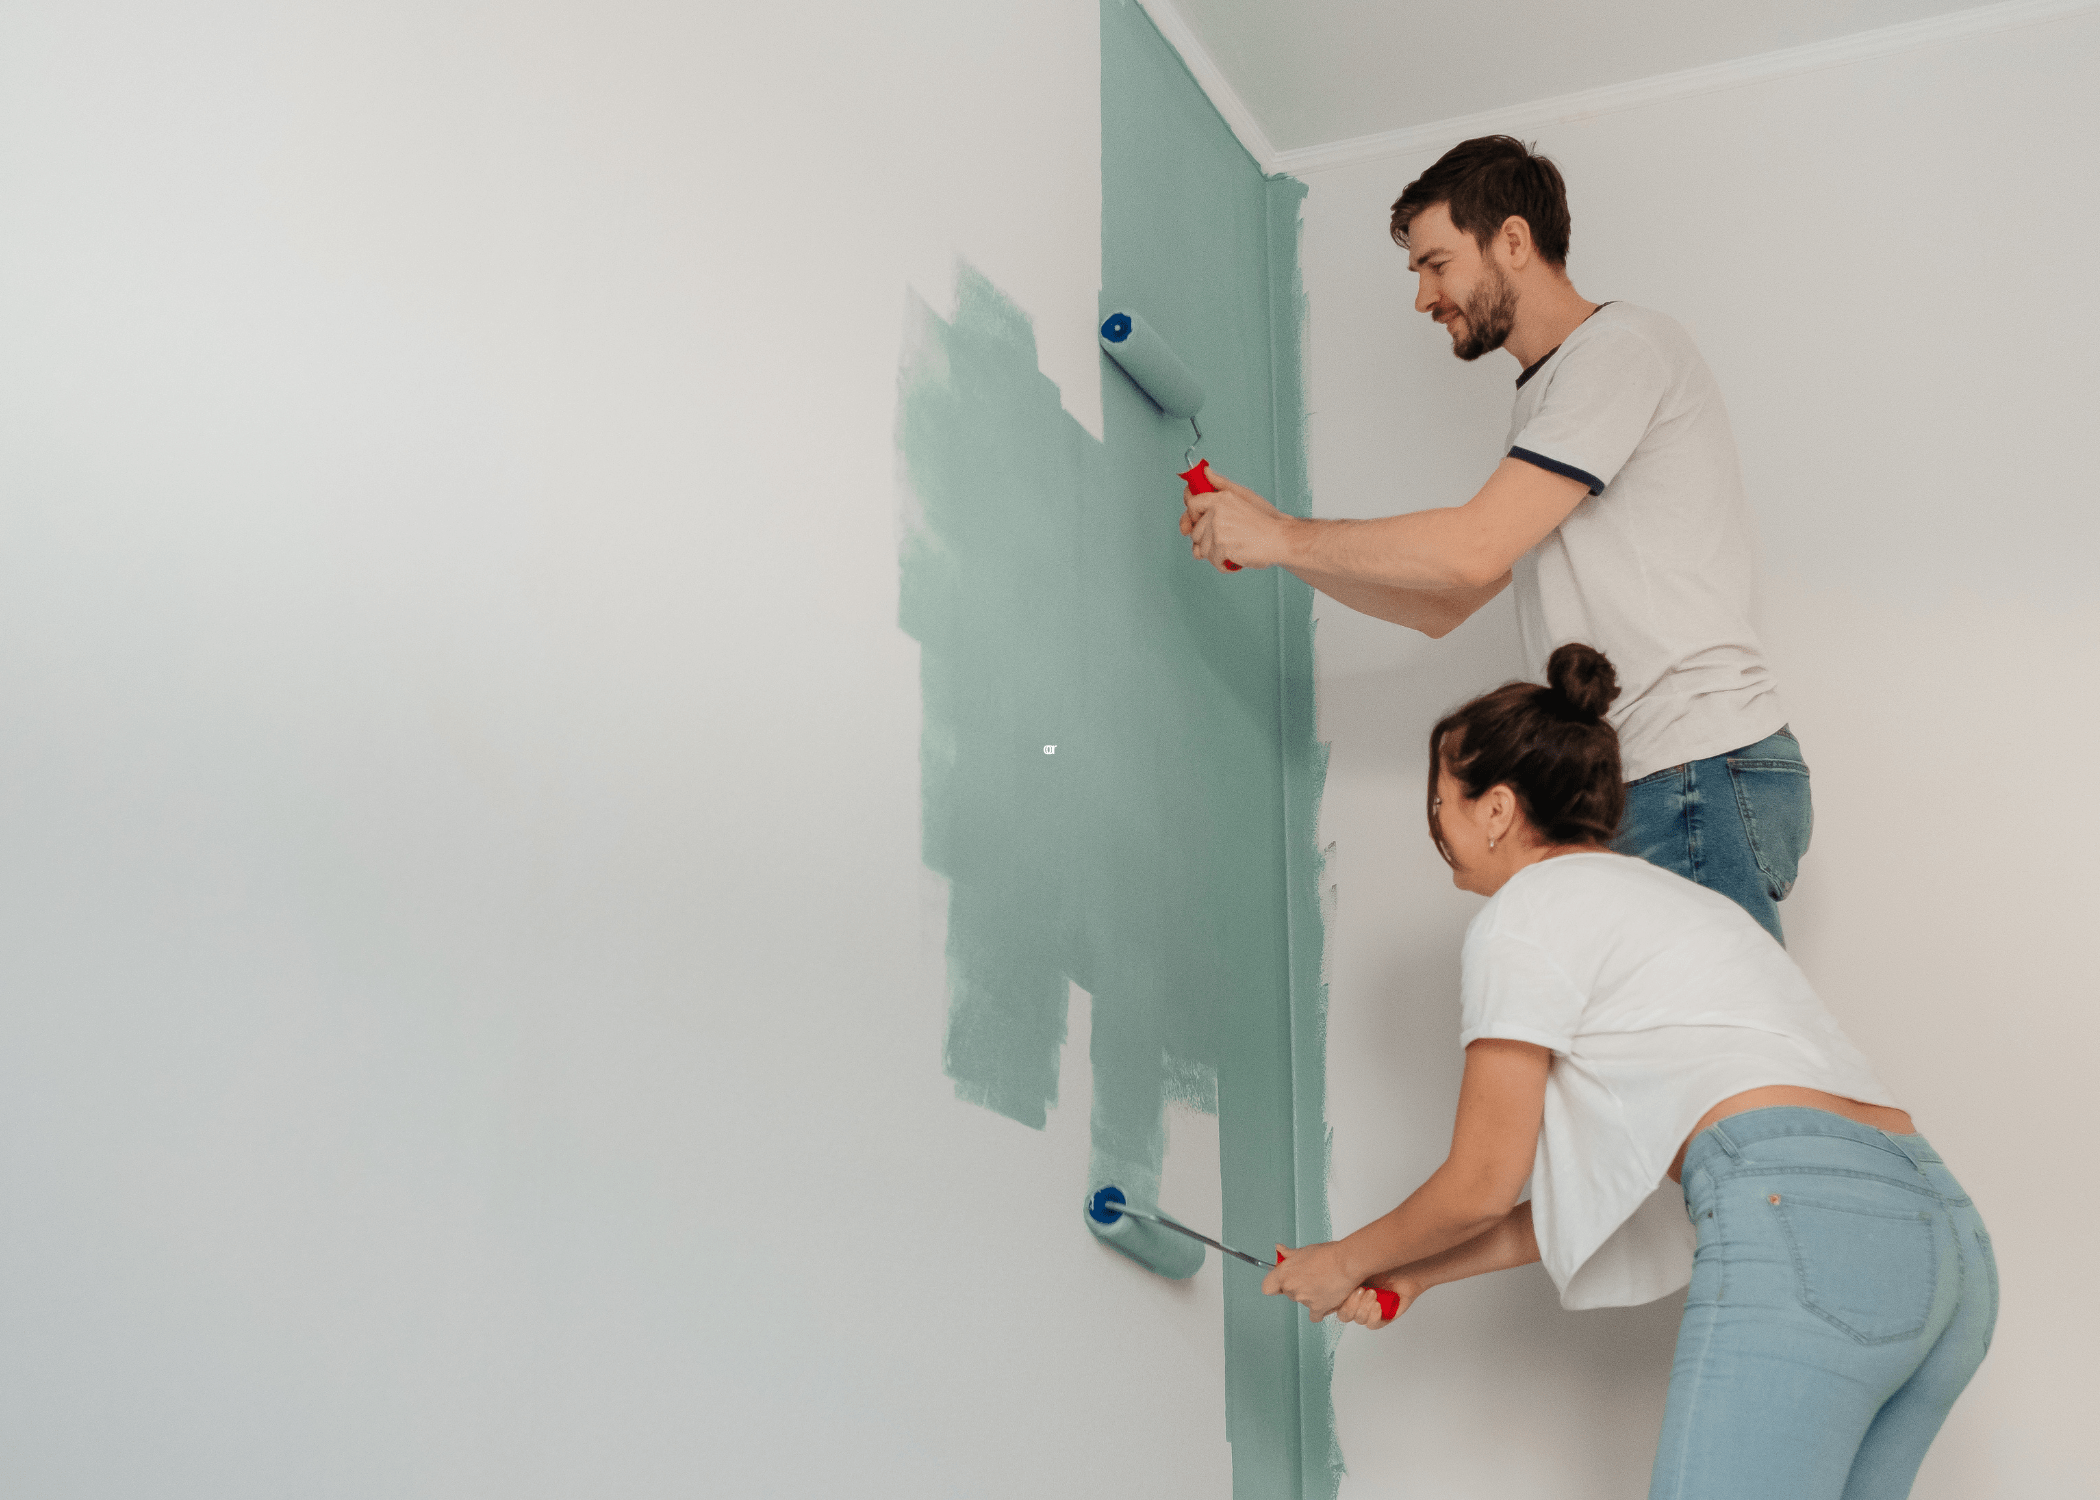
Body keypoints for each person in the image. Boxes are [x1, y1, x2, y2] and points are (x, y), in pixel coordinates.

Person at [1262, 644, 1994, 1500]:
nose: (1436, 830)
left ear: (1495, 809)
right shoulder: (1678, 908)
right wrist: (1416, 1271)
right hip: (1946, 1241)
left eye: (1440, 803)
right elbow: (1601, 1198)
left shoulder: (1527, 914)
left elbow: (1481, 1182)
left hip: (1802, 1222)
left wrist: (1343, 1258)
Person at [1180, 135, 1807, 945]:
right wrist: (1283, 546)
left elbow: (1472, 548)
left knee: (1710, 1065)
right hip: (1660, 778)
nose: (1423, 298)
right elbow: (1444, 602)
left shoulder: (1617, 352)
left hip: (1693, 771)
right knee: (1649, 1062)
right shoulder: (1553, 399)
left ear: (1512, 240)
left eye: (1436, 264)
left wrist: (1284, 532)